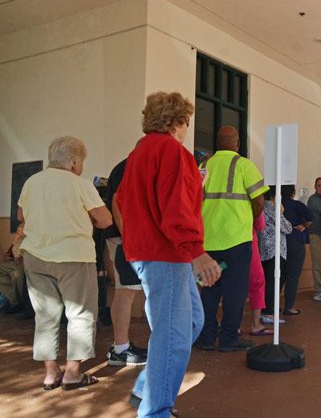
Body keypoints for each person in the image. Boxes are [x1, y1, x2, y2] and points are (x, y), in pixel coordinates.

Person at [117, 91, 221, 416]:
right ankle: (155, 410)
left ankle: (148, 388)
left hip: (149, 253)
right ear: (178, 121)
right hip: (167, 253)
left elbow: (120, 200)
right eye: (187, 121)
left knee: (190, 320)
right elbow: (176, 208)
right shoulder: (173, 152)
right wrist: (196, 251)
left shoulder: (138, 153)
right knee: (173, 333)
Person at [18, 135, 113, 391]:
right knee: (80, 314)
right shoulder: (80, 184)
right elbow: (104, 220)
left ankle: (50, 374)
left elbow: (21, 215)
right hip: (74, 257)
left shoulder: (31, 182)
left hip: (36, 257)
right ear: (73, 163)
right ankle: (72, 374)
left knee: (45, 316)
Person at [196, 125, 269, 352]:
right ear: (237, 143)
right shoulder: (245, 165)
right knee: (235, 291)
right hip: (237, 241)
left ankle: (207, 337)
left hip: (208, 242)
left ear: (217, 143)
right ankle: (229, 337)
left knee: (209, 290)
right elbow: (259, 201)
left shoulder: (203, 166)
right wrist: (247, 219)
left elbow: (194, 199)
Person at [103, 158, 147, 366]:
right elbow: (117, 202)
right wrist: (129, 240)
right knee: (126, 291)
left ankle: (121, 347)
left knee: (127, 291)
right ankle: (120, 349)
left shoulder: (128, 166)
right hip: (124, 240)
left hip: (127, 239)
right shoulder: (130, 166)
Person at [259, 187, 293, 321]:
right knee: (275, 280)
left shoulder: (261, 207)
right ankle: (268, 311)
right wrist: (281, 212)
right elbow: (287, 228)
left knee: (269, 280)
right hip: (275, 249)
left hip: (265, 249)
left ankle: (268, 308)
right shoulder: (272, 208)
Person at [281, 185, 313, 315]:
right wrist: (304, 226)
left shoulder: (276, 204)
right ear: (293, 192)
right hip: (296, 240)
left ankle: (271, 307)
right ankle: (289, 306)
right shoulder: (297, 205)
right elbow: (311, 217)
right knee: (293, 276)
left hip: (280, 241)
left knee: (279, 275)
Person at [248, 211, 270, 335]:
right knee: (257, 282)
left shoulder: (206, 190)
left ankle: (210, 325)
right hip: (245, 244)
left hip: (211, 244)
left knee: (212, 283)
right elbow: (260, 225)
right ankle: (255, 324)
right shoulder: (252, 193)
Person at [0, 244, 26, 314]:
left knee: (17, 274)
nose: (17, 233)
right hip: (14, 263)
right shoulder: (16, 242)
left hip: (25, 262)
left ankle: (17, 302)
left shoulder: (31, 239)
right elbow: (9, 254)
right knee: (15, 273)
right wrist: (6, 256)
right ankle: (15, 300)